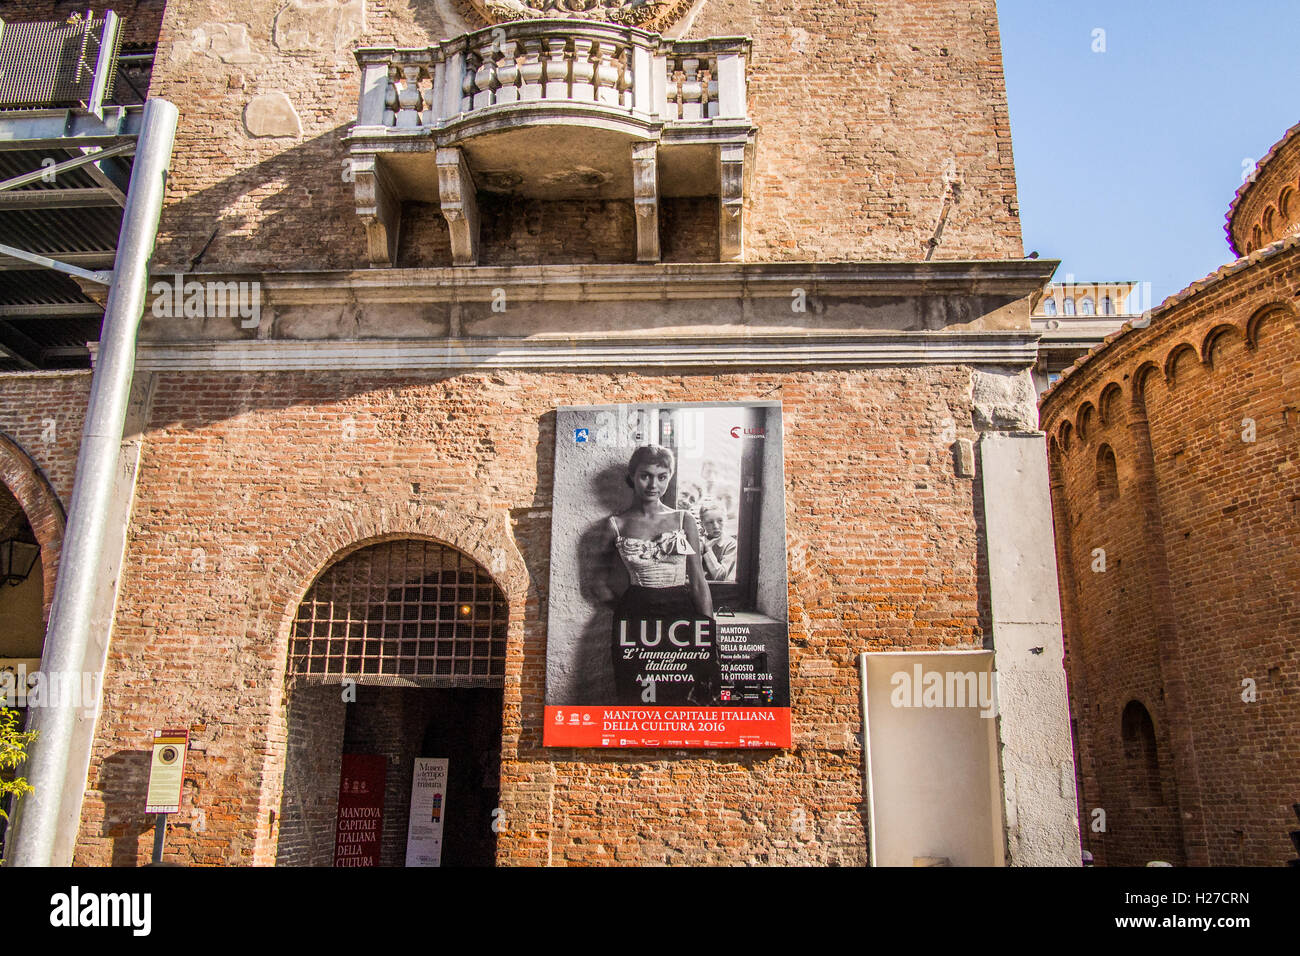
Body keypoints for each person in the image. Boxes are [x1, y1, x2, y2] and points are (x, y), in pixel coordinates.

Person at [604, 444, 715, 705]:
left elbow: (698, 580)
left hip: (681, 614)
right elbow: (601, 582)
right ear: (632, 476)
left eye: (662, 476)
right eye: (646, 475)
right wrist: (628, 605)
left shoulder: (683, 519)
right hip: (635, 616)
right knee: (634, 690)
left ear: (670, 477)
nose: (653, 484)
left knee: (681, 690)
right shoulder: (615, 524)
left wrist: (709, 632)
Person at [698, 499, 738, 582]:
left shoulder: (731, 544)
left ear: (725, 520)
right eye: (710, 522)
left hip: (722, 590)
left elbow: (720, 576)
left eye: (720, 521)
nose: (716, 526)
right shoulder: (698, 542)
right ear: (702, 524)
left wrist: (708, 549)